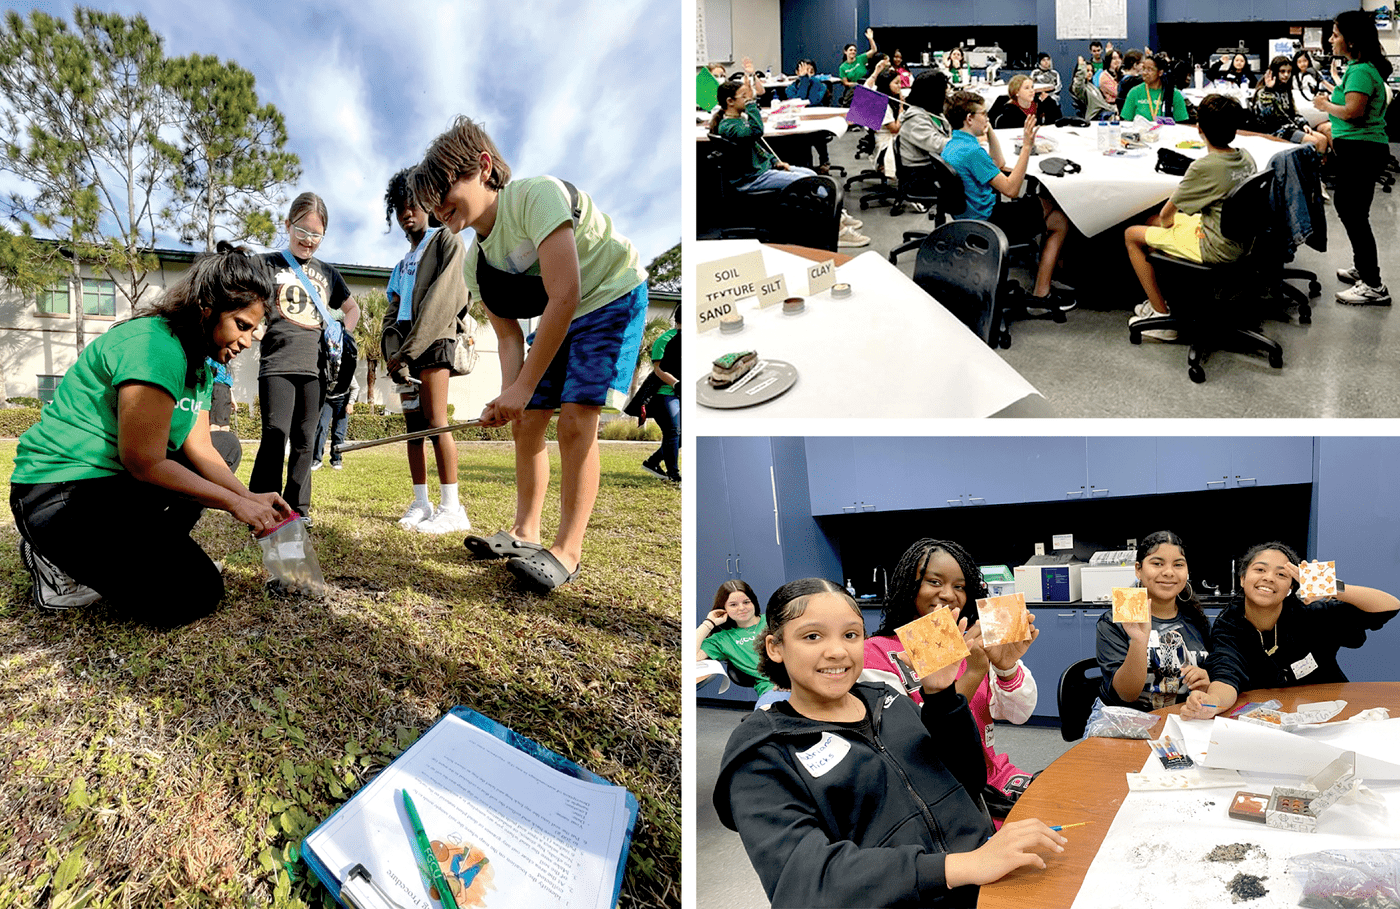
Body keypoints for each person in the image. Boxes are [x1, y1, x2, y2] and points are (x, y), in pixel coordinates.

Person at [713, 578, 1068, 909]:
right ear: (775, 647)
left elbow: (967, 781)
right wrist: (963, 866)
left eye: (851, 635)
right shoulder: (763, 753)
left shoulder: (887, 700)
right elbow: (807, 883)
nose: (838, 651)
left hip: (986, 886)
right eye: (812, 637)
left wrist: (942, 697)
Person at [411, 116, 648, 591]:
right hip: (564, 312)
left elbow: (566, 294)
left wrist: (522, 387)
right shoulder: (476, 260)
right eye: (429, 203)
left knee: (578, 418)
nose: (438, 209)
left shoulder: (535, 197)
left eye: (444, 189)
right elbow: (507, 336)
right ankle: (525, 533)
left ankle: (568, 550)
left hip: (609, 296)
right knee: (528, 420)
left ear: (482, 167)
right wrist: (510, 396)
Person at [10, 243, 291, 623]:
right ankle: (49, 557)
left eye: (254, 330)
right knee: (190, 596)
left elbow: (203, 449)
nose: (247, 341)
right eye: (242, 325)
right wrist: (233, 504)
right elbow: (143, 462)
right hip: (61, 492)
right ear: (206, 306)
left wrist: (249, 497)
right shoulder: (155, 346)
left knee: (225, 446)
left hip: (111, 485)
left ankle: (145, 551)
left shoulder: (201, 366)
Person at [862, 539, 1040, 821]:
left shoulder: (969, 643)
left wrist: (1005, 668)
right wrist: (972, 674)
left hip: (994, 780)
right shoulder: (877, 653)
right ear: (908, 585)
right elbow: (916, 745)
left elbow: (1020, 713)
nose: (948, 594)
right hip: (937, 795)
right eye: (934, 582)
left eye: (959, 586)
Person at [1181, 541, 1399, 720]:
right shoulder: (1229, 625)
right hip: (1272, 723)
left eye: (1281, 575)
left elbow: (1388, 607)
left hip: (1330, 714)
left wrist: (1330, 586)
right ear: (1242, 578)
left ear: (1291, 588)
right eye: (1259, 569)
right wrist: (1213, 703)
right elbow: (1226, 674)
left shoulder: (1309, 613)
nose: (1268, 578)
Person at [249, 192, 359, 524]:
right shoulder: (265, 264)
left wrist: (342, 332)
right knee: (274, 434)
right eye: (302, 232)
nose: (308, 241)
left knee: (305, 439)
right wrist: (256, 332)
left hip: (316, 368)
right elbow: (241, 300)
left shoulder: (328, 272)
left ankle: (299, 510)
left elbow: (351, 308)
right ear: (288, 225)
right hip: (277, 364)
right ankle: (265, 507)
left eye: (316, 235)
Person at [381, 167, 473, 534]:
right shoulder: (401, 264)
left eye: (414, 203)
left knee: (437, 421)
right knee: (412, 429)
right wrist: (394, 353)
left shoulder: (448, 241)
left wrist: (410, 350)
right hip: (405, 349)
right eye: (400, 206)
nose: (407, 212)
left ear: (430, 204)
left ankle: (452, 507)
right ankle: (421, 502)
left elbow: (444, 299)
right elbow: (392, 311)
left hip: (435, 340)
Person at [1123, 93, 1256, 341]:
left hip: (1215, 247)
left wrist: (1169, 231)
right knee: (1151, 222)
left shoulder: (1204, 167)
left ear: (1199, 129)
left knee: (1132, 234)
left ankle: (1162, 317)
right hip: (1241, 242)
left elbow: (1166, 216)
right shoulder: (1245, 157)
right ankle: (1172, 294)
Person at [942, 91, 1074, 312]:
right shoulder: (973, 152)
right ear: (969, 119)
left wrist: (989, 129)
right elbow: (1012, 190)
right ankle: (1042, 293)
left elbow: (998, 162)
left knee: (1047, 207)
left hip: (968, 219)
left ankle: (1047, 277)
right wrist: (1026, 146)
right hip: (990, 223)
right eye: (983, 114)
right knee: (1059, 218)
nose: (987, 117)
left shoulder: (953, 145)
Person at [1314, 10, 1393, 306]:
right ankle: (1364, 269)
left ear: (1351, 39)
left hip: (1362, 150)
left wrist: (1324, 105)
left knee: (1352, 212)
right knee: (1354, 211)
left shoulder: (1360, 71)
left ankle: (1373, 285)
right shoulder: (1359, 68)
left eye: (1336, 34)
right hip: (1362, 149)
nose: (1331, 40)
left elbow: (1353, 112)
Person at [1095, 531, 1211, 711]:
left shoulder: (1196, 619)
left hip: (1183, 718)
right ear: (1138, 569)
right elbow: (1126, 695)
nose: (1169, 572)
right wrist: (1138, 641)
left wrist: (1206, 681)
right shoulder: (1116, 621)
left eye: (1178, 565)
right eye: (1157, 563)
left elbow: (1214, 678)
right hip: (1126, 723)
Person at [696, 580, 782, 707]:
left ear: (753, 602)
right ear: (723, 608)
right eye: (733, 605)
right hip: (772, 690)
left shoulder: (774, 620)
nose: (741, 608)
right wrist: (709, 622)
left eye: (746, 602)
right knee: (765, 720)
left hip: (799, 681)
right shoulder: (722, 639)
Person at [1252, 56, 1329, 155]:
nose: (1286, 75)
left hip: (1290, 127)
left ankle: (1319, 168)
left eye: (1289, 72)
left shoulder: (1286, 90)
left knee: (1322, 140)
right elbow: (1266, 116)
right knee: (1315, 141)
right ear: (1275, 72)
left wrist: (1303, 124)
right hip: (1274, 130)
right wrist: (1269, 90)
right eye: (1282, 71)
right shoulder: (1263, 92)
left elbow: (1293, 112)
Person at [896, 70, 953, 199]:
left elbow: (948, 134)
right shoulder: (915, 119)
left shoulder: (935, 112)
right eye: (944, 90)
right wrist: (965, 142)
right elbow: (937, 145)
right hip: (920, 176)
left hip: (934, 167)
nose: (947, 94)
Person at [640, 305, 680, 483]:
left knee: (680, 435)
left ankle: (653, 462)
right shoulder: (665, 340)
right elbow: (658, 369)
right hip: (665, 394)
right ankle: (674, 475)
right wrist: (676, 384)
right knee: (673, 431)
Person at [1120, 54, 1188, 122]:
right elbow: (1126, 122)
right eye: (1143, 68)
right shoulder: (1134, 92)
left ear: (1160, 72)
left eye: (1150, 70)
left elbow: (1181, 124)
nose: (1144, 73)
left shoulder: (1174, 94)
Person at [311, 374, 356, 471]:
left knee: (339, 431)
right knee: (321, 427)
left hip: (342, 399)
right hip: (326, 400)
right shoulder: (323, 369)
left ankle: (336, 459)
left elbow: (355, 387)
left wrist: (350, 403)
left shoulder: (345, 370)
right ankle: (316, 459)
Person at [837, 27, 878, 106]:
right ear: (845, 52)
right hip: (854, 89)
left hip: (867, 85)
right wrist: (856, 85)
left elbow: (874, 50)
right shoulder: (842, 67)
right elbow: (845, 83)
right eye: (851, 50)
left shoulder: (860, 58)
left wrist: (870, 39)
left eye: (855, 50)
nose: (853, 52)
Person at [1030, 52, 1064, 120]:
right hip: (1038, 97)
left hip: (1051, 97)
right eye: (1043, 60)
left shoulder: (1054, 73)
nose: (1046, 62)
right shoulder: (1035, 73)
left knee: (1050, 102)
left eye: (1048, 60)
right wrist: (1039, 95)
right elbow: (1031, 86)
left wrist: (1048, 95)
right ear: (1039, 62)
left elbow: (1058, 87)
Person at [208, 356, 234, 432]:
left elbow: (229, 380)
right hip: (217, 387)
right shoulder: (212, 358)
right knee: (215, 425)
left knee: (225, 426)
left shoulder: (228, 361)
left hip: (226, 389)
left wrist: (232, 398)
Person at [1116, 49, 1145, 114]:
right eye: (1142, 63)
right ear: (1135, 65)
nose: (1144, 66)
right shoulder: (1131, 81)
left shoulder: (1124, 79)